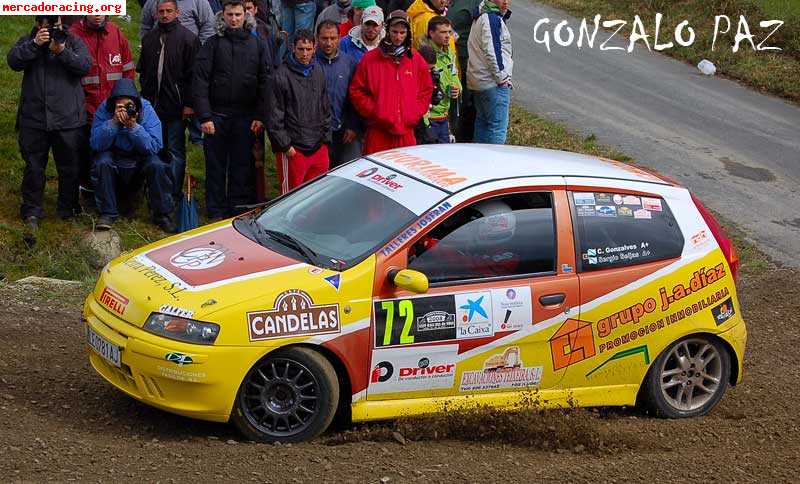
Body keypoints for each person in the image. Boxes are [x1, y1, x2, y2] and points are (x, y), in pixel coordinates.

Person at [7, 15, 92, 230]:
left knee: (69, 167)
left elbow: (84, 66)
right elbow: (13, 61)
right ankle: (32, 212)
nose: (54, 29)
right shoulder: (28, 41)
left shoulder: (72, 41)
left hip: (67, 118)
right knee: (34, 167)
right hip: (34, 118)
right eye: (49, 26)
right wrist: (35, 45)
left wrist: (61, 51)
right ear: (38, 25)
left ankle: (68, 208)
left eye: (57, 25)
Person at [194, 0, 270, 220]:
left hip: (245, 118)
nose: (234, 19)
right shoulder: (212, 43)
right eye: (230, 14)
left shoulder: (258, 44)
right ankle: (216, 212)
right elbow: (200, 81)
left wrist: (259, 115)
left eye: (238, 14)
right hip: (216, 116)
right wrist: (205, 116)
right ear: (223, 15)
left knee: (242, 166)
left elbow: (265, 81)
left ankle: (238, 211)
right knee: (216, 167)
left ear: (245, 15)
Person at [90, 79, 174, 232]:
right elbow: (95, 144)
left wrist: (134, 127)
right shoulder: (104, 109)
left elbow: (155, 146)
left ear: (136, 103)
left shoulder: (146, 110)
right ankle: (107, 213)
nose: (124, 110)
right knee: (102, 162)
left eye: (128, 106)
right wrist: (113, 123)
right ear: (113, 104)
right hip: (114, 154)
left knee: (157, 165)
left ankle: (162, 214)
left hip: (141, 155)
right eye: (120, 106)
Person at [70, 15, 136, 204]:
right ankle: (87, 191)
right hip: (83, 109)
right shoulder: (74, 34)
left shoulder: (115, 32)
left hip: (113, 109)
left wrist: (126, 100)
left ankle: (115, 195)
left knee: (113, 154)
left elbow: (128, 68)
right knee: (85, 153)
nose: (97, 13)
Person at [138, 0, 200, 199]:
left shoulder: (189, 39)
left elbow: (194, 76)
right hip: (152, 106)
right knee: (154, 147)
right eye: (161, 11)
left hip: (177, 105)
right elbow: (143, 72)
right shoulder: (149, 39)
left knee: (175, 150)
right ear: (156, 14)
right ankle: (154, 188)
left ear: (177, 12)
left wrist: (190, 104)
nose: (165, 15)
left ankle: (172, 192)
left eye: (169, 11)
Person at [348, 10, 432, 154]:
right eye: (394, 32)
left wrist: (413, 113)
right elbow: (356, 90)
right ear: (387, 30)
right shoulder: (370, 59)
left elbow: (426, 89)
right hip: (378, 131)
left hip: (406, 132)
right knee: (374, 175)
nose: (398, 37)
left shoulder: (416, 59)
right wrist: (376, 111)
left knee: (406, 175)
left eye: (402, 32)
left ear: (408, 33)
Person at [268, 29, 331, 194]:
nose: (305, 54)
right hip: (294, 149)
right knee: (290, 198)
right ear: (293, 48)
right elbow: (274, 116)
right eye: (301, 49)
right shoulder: (280, 76)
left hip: (318, 146)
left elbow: (325, 107)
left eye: (308, 49)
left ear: (314, 48)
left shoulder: (318, 72)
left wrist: (325, 139)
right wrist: (286, 146)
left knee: (317, 195)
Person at [316, 20, 361, 167]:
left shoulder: (350, 63)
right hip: (316, 133)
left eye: (333, 38)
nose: (328, 43)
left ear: (339, 38)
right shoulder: (310, 62)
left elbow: (355, 98)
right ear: (317, 38)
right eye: (324, 38)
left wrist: (353, 125)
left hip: (343, 131)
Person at [467, 0, 512, 144]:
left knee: (482, 124)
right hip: (492, 83)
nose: (506, 1)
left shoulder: (480, 16)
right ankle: (495, 164)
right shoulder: (490, 18)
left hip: (479, 82)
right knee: (497, 129)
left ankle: (479, 162)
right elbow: (492, 50)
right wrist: (502, 78)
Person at [421, 16, 460, 143]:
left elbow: (454, 74)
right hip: (429, 118)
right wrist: (426, 123)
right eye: (443, 32)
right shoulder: (425, 55)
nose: (448, 36)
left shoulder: (449, 52)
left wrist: (457, 88)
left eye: (449, 32)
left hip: (444, 116)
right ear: (431, 33)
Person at [446, 0, 480, 141]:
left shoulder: (476, 4)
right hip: (446, 59)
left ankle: (464, 141)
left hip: (466, 61)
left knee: (464, 106)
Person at [140, 0, 216, 43]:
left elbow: (208, 26)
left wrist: (200, 48)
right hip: (158, 52)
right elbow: (145, 25)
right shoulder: (152, 2)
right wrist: (147, 44)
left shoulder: (199, 1)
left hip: (189, 52)